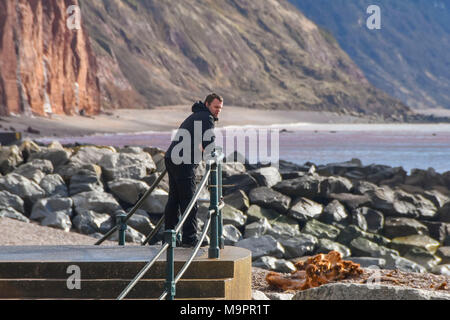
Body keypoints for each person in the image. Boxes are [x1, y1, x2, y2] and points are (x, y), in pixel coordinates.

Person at [163, 93, 223, 247]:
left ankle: (169, 238)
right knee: (189, 201)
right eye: (216, 107)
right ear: (208, 104)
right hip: (183, 161)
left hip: (171, 158)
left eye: (220, 108)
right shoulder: (206, 118)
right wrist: (213, 157)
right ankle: (189, 239)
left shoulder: (197, 115)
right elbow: (209, 142)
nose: (218, 111)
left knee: (174, 199)